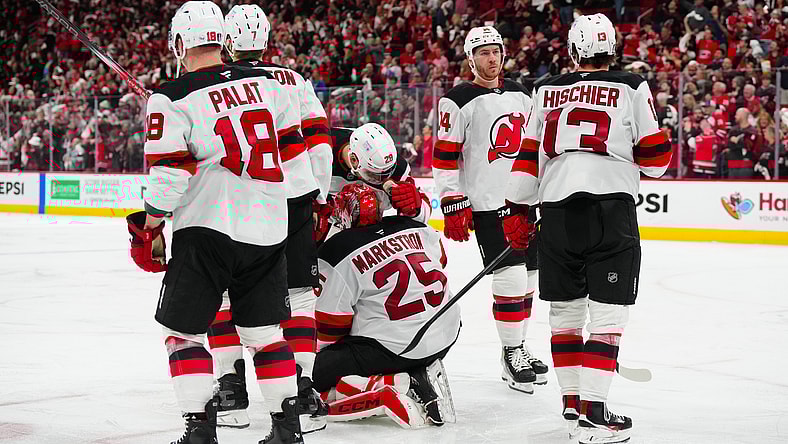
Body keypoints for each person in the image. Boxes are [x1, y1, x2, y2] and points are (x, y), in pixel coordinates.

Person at [124, 2, 304, 443]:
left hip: (208, 227)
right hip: (268, 227)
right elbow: (296, 158)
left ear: (180, 43)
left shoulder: (170, 97)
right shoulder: (273, 86)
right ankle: (288, 430)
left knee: (182, 333)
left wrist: (147, 226)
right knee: (265, 334)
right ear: (222, 40)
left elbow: (168, 178)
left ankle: (200, 431)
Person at [503, 13, 672, 444]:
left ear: (574, 51)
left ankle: (574, 404)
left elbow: (527, 157)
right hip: (609, 209)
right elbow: (655, 163)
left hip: (556, 210)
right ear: (612, 48)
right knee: (608, 317)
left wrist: (516, 210)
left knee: (565, 316)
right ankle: (595, 416)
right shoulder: (632, 85)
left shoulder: (544, 89)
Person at [204, 4, 331, 433]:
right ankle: (302, 391)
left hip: (236, 202)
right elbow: (320, 142)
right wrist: (319, 196)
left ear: (225, 42)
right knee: (298, 296)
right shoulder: (293, 80)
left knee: (223, 293)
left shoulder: (211, 84)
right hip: (292, 200)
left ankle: (231, 387)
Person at [432, 25, 548, 395]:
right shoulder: (457, 99)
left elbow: (533, 145)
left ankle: (519, 346)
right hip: (488, 203)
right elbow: (445, 155)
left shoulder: (520, 93)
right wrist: (452, 199)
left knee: (529, 278)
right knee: (510, 278)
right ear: (471, 59)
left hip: (524, 199)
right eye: (483, 52)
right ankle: (511, 350)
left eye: (496, 50)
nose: (491, 58)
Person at [313, 183, 459, 428]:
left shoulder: (337, 250)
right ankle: (415, 370)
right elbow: (441, 260)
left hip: (396, 348)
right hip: (447, 331)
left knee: (311, 374)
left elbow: (330, 327)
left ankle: (391, 384)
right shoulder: (417, 227)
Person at [328, 124, 431, 228]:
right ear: (354, 160)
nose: (383, 179)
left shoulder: (397, 168)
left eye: (388, 171)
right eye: (373, 174)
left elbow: (423, 217)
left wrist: (415, 210)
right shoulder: (321, 150)